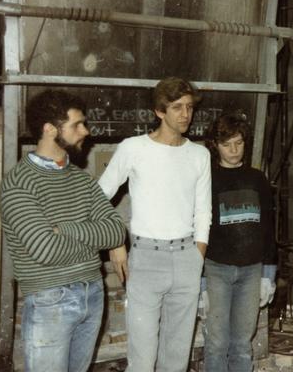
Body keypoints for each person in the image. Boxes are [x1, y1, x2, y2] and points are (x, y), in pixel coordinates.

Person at [0, 89, 127, 372]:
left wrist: (66, 229)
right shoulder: (18, 183)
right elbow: (45, 250)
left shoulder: (82, 179)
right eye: (77, 125)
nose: (86, 131)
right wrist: (95, 238)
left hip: (93, 293)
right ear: (49, 129)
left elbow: (116, 230)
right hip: (50, 300)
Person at [98, 77, 212, 372]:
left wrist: (197, 256)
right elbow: (97, 197)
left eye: (189, 107)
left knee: (176, 360)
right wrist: (115, 241)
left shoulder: (199, 154)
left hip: (186, 257)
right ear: (160, 112)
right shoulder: (133, 148)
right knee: (142, 360)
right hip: (146, 258)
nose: (186, 114)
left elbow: (203, 212)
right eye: (177, 107)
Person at [201, 113, 277, 372]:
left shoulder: (258, 179)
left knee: (243, 342)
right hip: (216, 269)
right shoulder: (206, 180)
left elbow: (269, 229)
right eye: (226, 144)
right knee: (216, 342)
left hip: (251, 272)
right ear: (215, 146)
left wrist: (268, 274)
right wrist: (200, 284)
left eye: (239, 143)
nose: (234, 150)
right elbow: (198, 232)